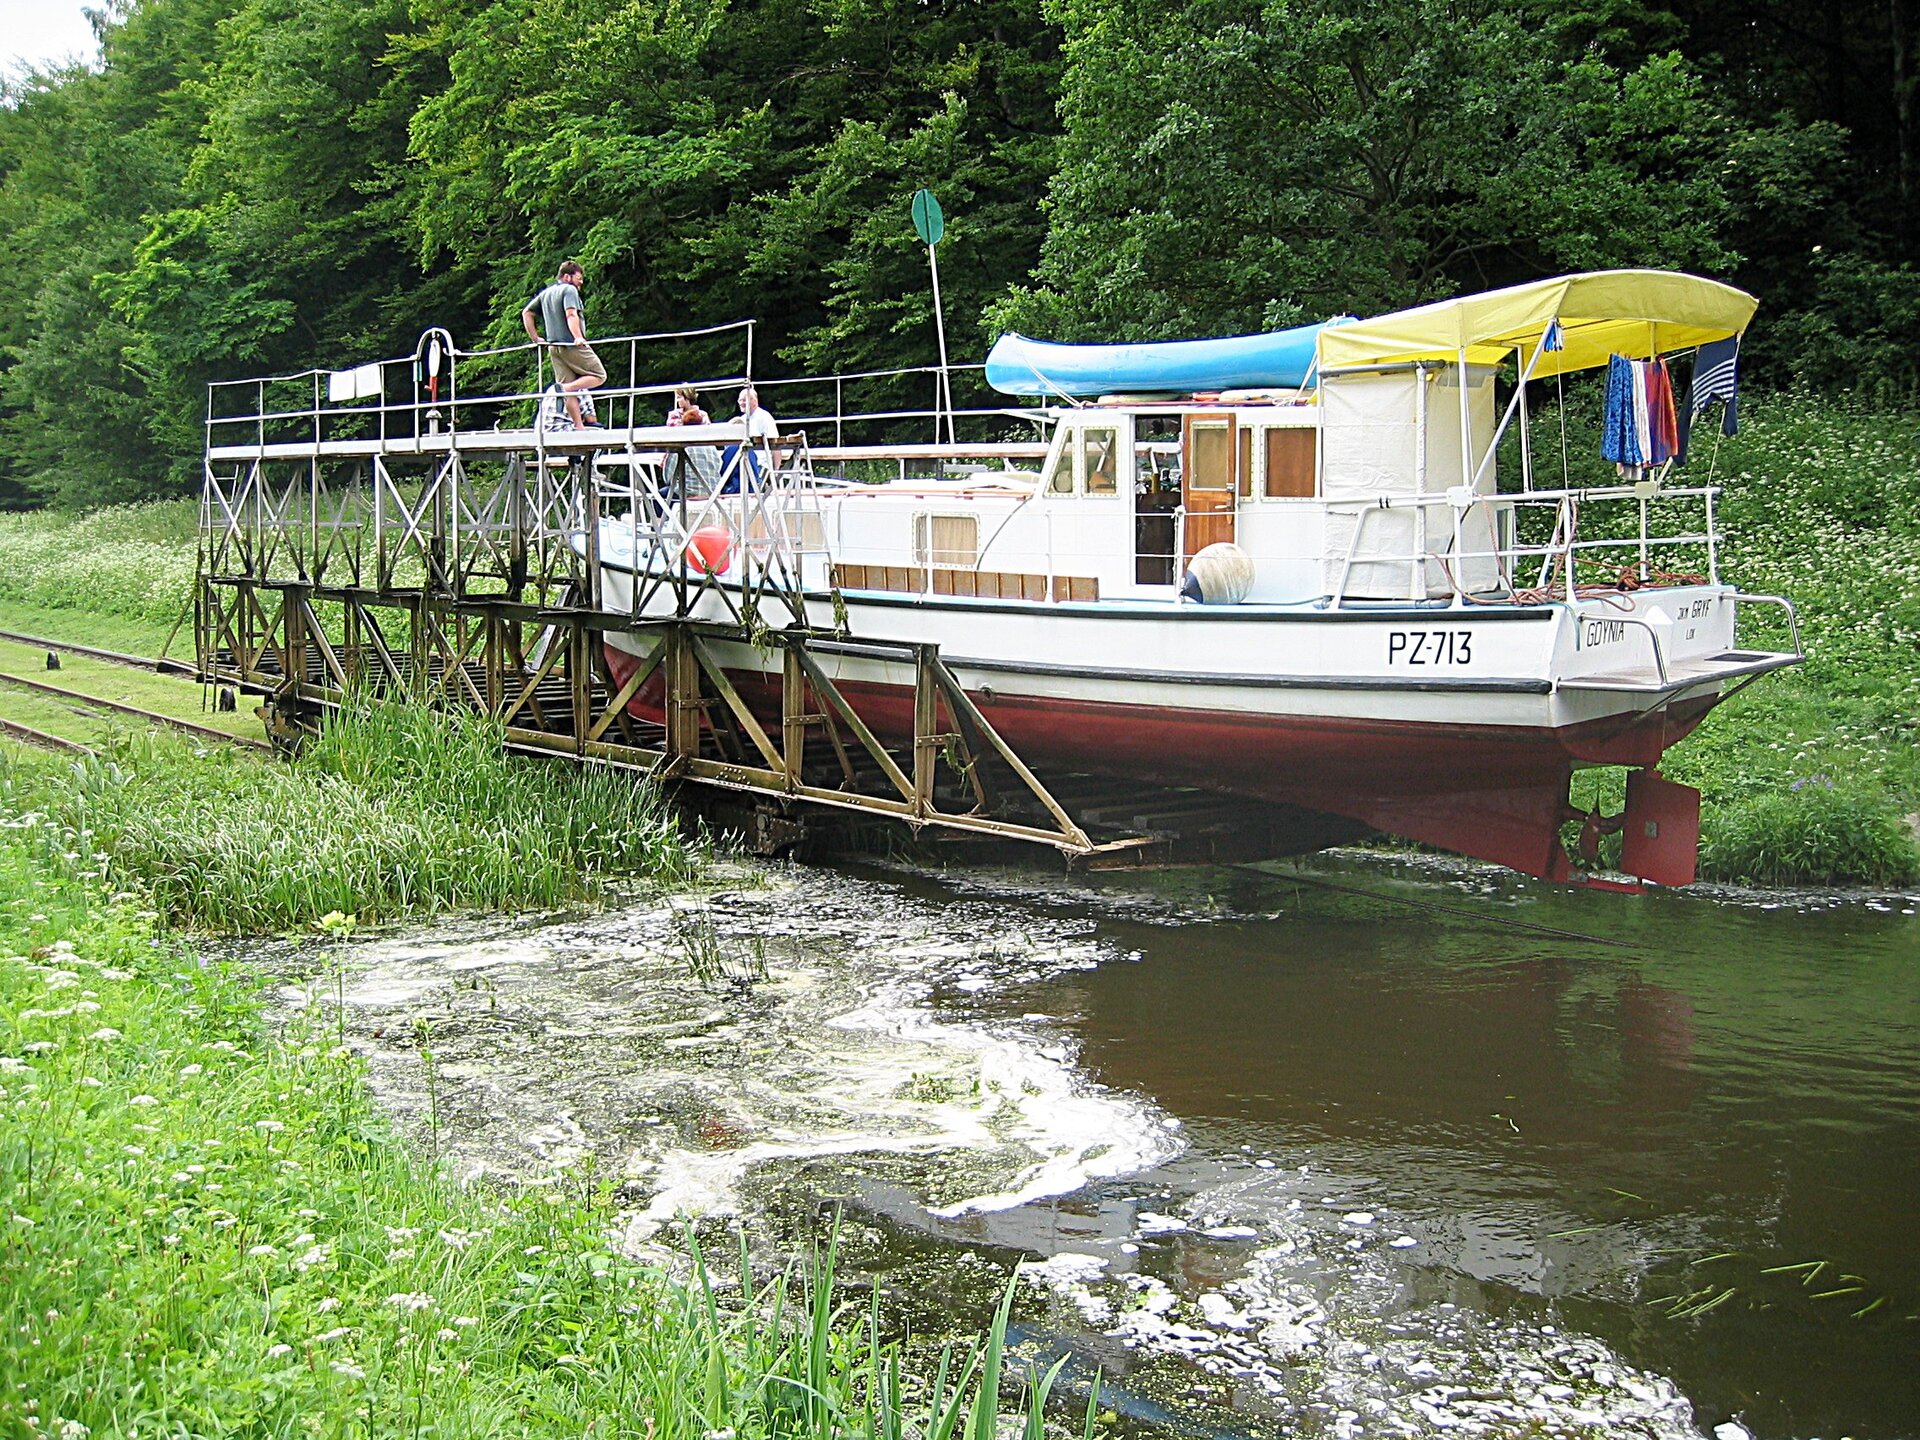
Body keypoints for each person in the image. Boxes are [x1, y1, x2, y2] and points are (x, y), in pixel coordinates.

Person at [520, 261, 604, 429]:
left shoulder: (546, 293)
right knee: (599, 376)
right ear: (567, 276)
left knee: (570, 393)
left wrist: (536, 338)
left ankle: (579, 427)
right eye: (579, 278)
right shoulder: (569, 290)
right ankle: (565, 388)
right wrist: (578, 337)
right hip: (571, 345)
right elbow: (571, 314)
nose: (581, 282)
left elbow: (526, 313)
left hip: (554, 348)